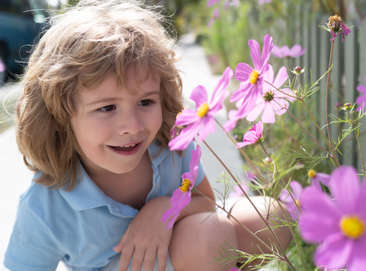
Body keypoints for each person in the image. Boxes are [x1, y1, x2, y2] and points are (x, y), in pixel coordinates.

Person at [4, 1, 292, 270]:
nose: (132, 125)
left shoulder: (171, 149)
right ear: (60, 116)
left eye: (146, 102)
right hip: (196, 251)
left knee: (266, 217)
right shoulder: (46, 205)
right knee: (209, 236)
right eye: (107, 108)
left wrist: (164, 210)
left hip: (191, 254)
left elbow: (206, 202)